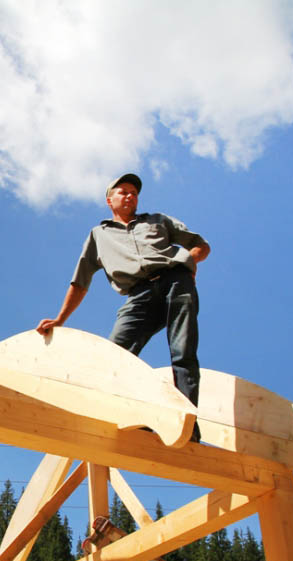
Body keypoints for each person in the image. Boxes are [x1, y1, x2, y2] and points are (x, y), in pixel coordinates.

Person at [36, 173, 210, 441]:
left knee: (182, 351)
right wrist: (60, 319)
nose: (130, 196)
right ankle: (136, 418)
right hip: (139, 294)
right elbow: (80, 281)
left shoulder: (158, 220)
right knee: (115, 355)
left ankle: (187, 427)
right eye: (123, 191)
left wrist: (188, 264)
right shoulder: (99, 235)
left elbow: (201, 246)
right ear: (110, 200)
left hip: (176, 281)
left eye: (134, 193)